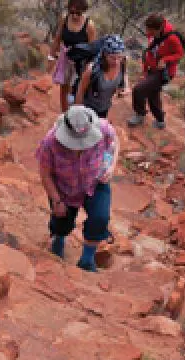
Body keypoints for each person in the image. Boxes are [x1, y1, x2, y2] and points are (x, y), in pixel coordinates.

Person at [36, 105, 118, 272]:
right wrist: (56, 200)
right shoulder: (50, 143)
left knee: (100, 218)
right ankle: (59, 238)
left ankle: (87, 260)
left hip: (95, 183)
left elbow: (115, 143)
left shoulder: (103, 128)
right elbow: (45, 174)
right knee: (61, 222)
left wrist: (111, 167)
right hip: (64, 190)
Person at [127, 13, 185, 130]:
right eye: (147, 29)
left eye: (150, 30)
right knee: (153, 94)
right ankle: (160, 120)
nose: (148, 32)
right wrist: (144, 71)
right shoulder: (154, 33)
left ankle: (140, 114)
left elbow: (180, 53)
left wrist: (165, 59)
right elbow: (150, 52)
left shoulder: (172, 37)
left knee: (138, 89)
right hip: (152, 69)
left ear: (159, 28)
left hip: (164, 72)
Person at [48, 0, 97, 113]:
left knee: (74, 89)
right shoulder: (65, 20)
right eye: (72, 12)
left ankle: (74, 115)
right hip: (65, 59)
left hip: (80, 61)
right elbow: (57, 39)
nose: (74, 15)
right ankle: (64, 114)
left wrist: (90, 66)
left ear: (83, 12)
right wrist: (51, 57)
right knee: (63, 86)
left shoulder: (89, 25)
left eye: (78, 13)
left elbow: (93, 48)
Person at [74, 34, 130, 119]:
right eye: (112, 58)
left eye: (119, 57)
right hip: (87, 109)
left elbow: (125, 73)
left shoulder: (123, 62)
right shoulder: (92, 70)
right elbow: (80, 91)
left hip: (104, 109)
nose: (116, 62)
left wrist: (126, 87)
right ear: (104, 54)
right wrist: (77, 114)